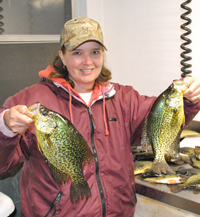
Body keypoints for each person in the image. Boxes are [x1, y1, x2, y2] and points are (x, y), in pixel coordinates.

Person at [0, 17, 200, 217]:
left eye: (95, 52)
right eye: (77, 53)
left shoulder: (124, 99)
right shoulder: (32, 101)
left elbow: (160, 123)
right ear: (62, 56)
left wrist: (189, 100)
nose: (88, 62)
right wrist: (5, 127)